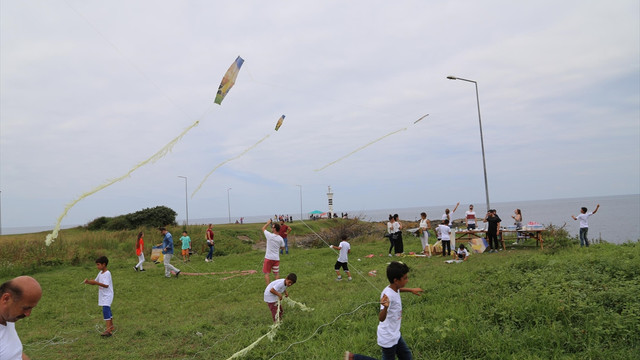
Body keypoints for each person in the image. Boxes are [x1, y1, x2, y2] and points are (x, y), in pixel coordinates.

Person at [345, 261, 423, 360]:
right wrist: (385, 307)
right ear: (396, 280)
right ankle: (353, 358)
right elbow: (381, 318)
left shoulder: (394, 288)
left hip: (395, 334)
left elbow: (399, 290)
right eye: (405, 278)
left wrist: (411, 290)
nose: (407, 280)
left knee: (406, 356)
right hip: (388, 337)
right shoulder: (388, 295)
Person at [0, 276, 42, 360]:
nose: (28, 314)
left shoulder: (8, 317)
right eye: (26, 308)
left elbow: (15, 354)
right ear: (6, 298)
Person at [83, 256, 115, 337]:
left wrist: (97, 283)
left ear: (104, 264)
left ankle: (108, 331)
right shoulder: (100, 273)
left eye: (98, 264)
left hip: (108, 295)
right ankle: (111, 327)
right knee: (107, 310)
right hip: (103, 295)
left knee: (105, 310)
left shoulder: (107, 273)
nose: (97, 266)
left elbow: (106, 285)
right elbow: (95, 281)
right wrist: (88, 282)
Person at [262, 219, 285, 285]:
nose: (271, 228)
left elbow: (263, 228)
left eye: (272, 227)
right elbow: (282, 247)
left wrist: (268, 223)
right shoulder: (280, 238)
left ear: (275, 229)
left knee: (267, 273)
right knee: (276, 273)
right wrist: (278, 247)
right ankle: (277, 287)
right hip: (276, 259)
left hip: (268, 258)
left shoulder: (269, 235)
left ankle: (268, 288)